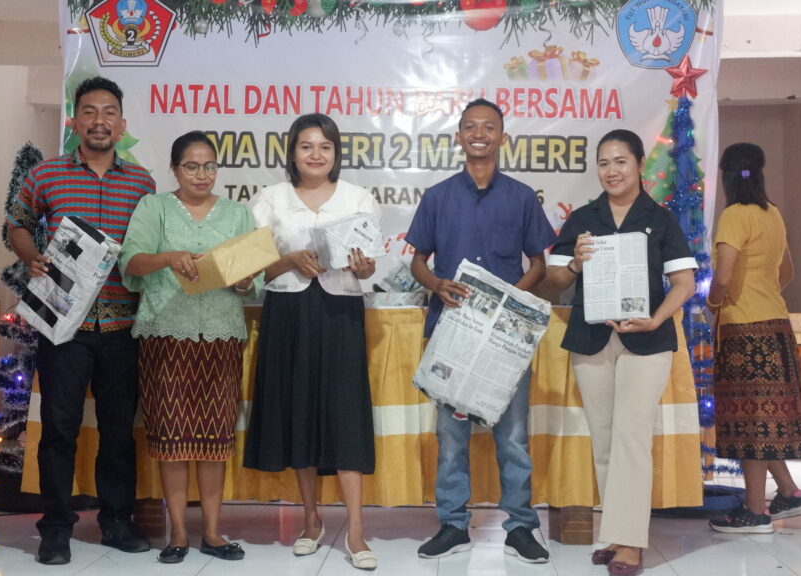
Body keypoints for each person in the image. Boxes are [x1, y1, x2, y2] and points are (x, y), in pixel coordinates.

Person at [6, 76, 155, 565]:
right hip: (62, 326)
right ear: (75, 121)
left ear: (121, 124)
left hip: (121, 326)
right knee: (59, 429)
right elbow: (17, 223)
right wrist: (30, 257)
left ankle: (116, 521)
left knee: (118, 431)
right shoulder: (46, 175)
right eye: (89, 111)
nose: (99, 121)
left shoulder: (143, 183)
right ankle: (55, 529)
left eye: (108, 112)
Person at [407, 99, 556, 564]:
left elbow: (539, 264)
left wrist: (509, 299)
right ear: (458, 137)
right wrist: (436, 284)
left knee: (512, 437)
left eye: (488, 127)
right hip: (452, 332)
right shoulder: (437, 197)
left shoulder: (521, 197)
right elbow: (417, 260)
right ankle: (453, 525)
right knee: (451, 438)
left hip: (506, 338)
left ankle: (520, 527)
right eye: (470, 126)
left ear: (502, 138)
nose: (479, 134)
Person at [546, 129, 696, 575]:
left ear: (639, 164)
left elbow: (684, 283)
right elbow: (555, 280)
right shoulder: (583, 218)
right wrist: (575, 262)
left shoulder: (660, 219)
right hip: (591, 339)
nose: (611, 171)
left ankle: (630, 542)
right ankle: (614, 534)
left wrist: (656, 318)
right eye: (604, 163)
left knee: (631, 435)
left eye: (621, 161)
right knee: (606, 440)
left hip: (647, 341)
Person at [243, 113, 379, 571]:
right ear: (292, 152)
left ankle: (356, 530)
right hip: (289, 313)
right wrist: (288, 260)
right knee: (299, 411)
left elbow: (370, 263)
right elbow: (251, 268)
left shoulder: (358, 197)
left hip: (341, 314)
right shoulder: (270, 199)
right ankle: (310, 520)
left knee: (346, 416)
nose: (315, 154)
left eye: (324, 146)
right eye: (306, 146)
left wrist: (365, 268)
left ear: (336, 153)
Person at [119, 131, 261, 563]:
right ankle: (178, 534)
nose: (202, 174)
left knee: (216, 439)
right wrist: (168, 257)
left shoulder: (238, 213)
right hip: (166, 336)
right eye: (192, 166)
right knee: (172, 438)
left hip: (221, 336)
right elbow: (131, 261)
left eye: (209, 166)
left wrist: (245, 280)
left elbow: (251, 279)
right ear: (175, 169)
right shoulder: (155, 207)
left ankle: (213, 534)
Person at [707, 143, 801, 534]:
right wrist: (764, 293)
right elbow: (787, 272)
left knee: (750, 423)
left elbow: (723, 276)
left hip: (743, 332)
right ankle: (789, 493)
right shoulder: (773, 213)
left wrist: (714, 302)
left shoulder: (734, 215)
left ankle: (755, 510)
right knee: (764, 421)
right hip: (777, 328)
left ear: (726, 177)